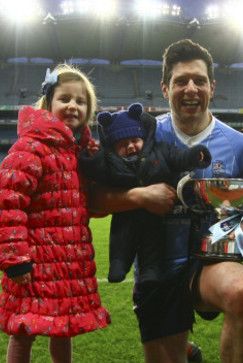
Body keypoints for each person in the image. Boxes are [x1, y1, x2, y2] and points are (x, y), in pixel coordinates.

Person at [89, 39, 243, 363]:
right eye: (181, 80)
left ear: (213, 87)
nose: (191, 88)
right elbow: (94, 201)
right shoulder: (136, 135)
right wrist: (137, 194)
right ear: (164, 86)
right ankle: (180, 341)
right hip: (158, 267)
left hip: (212, 260)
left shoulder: (238, 146)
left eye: (199, 80)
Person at [0, 64, 111, 363]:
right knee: (23, 330)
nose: (73, 105)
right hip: (35, 261)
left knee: (64, 326)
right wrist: (16, 257)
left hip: (68, 261)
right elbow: (8, 201)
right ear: (48, 101)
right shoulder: (32, 145)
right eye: (65, 98)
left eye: (81, 100)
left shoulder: (79, 150)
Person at [80, 102, 210, 283]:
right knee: (121, 240)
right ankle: (118, 265)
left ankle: (150, 270)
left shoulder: (160, 151)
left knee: (153, 244)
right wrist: (92, 158)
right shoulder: (111, 161)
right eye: (123, 144)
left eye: (134, 141)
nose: (131, 147)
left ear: (144, 138)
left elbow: (178, 157)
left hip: (154, 215)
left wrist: (195, 156)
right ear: (113, 147)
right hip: (126, 213)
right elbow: (98, 172)